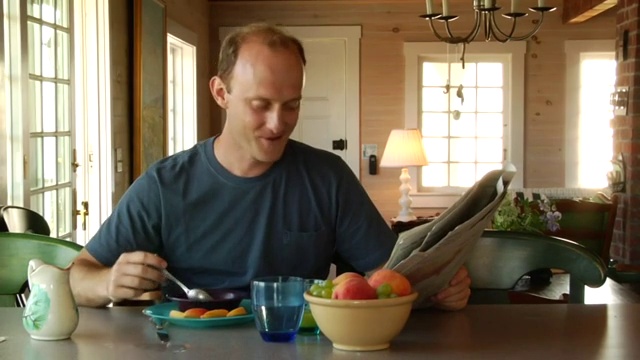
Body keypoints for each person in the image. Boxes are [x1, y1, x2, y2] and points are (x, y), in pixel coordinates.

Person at [69, 23, 471, 310]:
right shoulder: (163, 185)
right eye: (260, 105)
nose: (278, 123)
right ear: (221, 93)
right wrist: (107, 281)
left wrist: (437, 290)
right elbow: (75, 276)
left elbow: (388, 280)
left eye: (292, 105)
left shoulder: (327, 178)